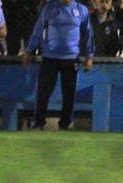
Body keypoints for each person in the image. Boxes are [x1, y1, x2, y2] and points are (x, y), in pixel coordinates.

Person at [23, 0, 94, 130]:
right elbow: (38, 30)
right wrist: (28, 51)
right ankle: (39, 122)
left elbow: (88, 33)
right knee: (43, 92)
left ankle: (65, 124)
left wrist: (89, 56)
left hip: (71, 58)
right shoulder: (49, 8)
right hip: (50, 57)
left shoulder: (81, 10)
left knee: (69, 94)